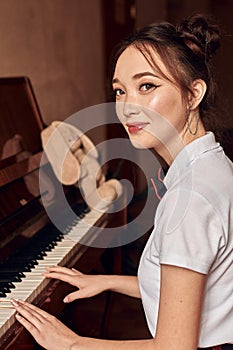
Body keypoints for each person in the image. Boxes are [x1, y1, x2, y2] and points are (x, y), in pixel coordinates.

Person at [10, 13, 233, 350]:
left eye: (147, 86)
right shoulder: (211, 164)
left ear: (193, 94)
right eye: (119, 91)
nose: (127, 107)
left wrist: (72, 344)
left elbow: (174, 346)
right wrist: (107, 281)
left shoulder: (191, 198)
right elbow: (190, 282)